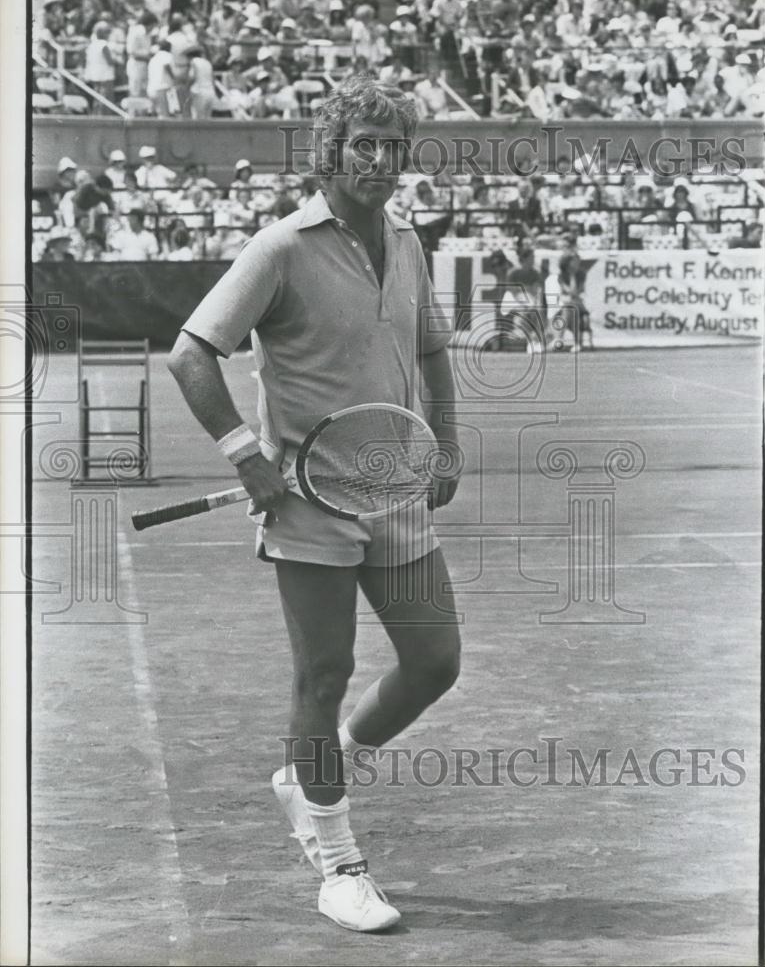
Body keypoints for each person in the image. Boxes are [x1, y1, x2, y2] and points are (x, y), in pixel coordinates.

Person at [167, 77, 461, 932]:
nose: (377, 159)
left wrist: (448, 443)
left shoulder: (406, 240)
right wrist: (243, 454)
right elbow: (191, 354)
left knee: (435, 660)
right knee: (322, 677)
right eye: (361, 144)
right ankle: (337, 863)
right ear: (327, 153)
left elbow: (433, 350)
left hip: (395, 491)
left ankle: (312, 775)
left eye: (391, 145)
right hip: (309, 507)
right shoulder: (280, 248)